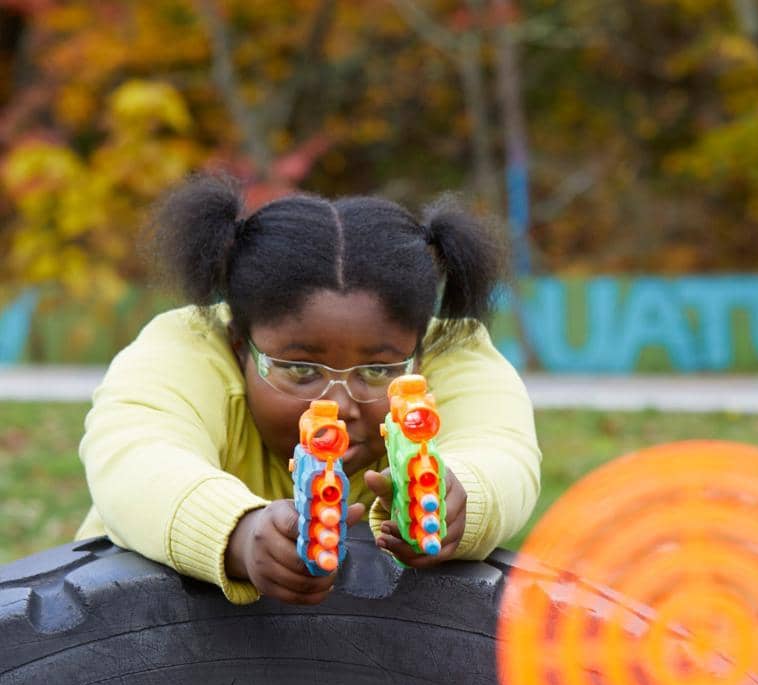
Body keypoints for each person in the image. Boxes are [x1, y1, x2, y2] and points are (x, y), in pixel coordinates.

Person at [75, 174, 541, 605]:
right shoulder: (186, 348)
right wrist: (239, 532)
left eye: (377, 372)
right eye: (300, 369)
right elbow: (135, 457)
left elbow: (502, 451)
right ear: (240, 345)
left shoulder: (455, 355)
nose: (337, 405)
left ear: (420, 353)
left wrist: (461, 499)